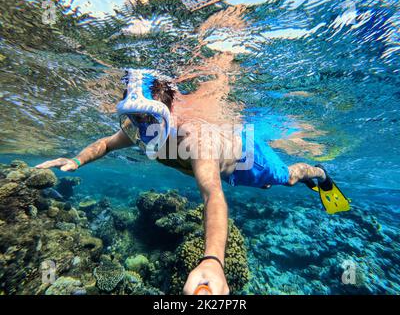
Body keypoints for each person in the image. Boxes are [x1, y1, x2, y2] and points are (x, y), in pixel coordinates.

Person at [36, 69, 350, 295]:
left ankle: (319, 173)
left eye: (150, 118)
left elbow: (212, 194)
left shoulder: (197, 139)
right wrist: (76, 160)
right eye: (135, 118)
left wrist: (213, 260)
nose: (143, 129)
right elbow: (105, 143)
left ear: (169, 112)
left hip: (249, 162)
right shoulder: (138, 126)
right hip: (229, 164)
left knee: (287, 179)